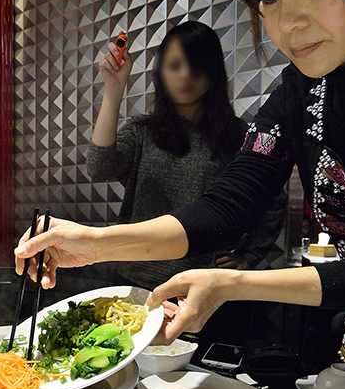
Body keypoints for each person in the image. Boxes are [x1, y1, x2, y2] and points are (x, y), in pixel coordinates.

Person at [15, 0, 345, 389]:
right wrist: (94, 243)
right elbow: (226, 207)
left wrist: (232, 282)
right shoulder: (299, 91)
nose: (288, 22)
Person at [87, 21, 286, 292]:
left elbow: (273, 200)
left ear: (213, 70)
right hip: (134, 281)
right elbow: (99, 167)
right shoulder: (142, 131)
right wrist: (114, 88)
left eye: (196, 65)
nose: (185, 75)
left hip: (205, 286)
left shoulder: (237, 134)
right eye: (174, 65)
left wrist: (248, 256)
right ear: (161, 72)